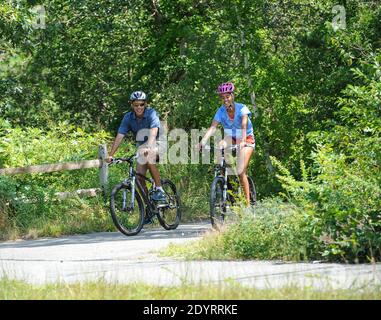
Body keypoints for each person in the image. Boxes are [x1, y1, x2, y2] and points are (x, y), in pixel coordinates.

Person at [196, 82, 255, 206]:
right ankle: (223, 179)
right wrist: (202, 142)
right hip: (231, 137)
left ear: (232, 96)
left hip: (246, 138)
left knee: (240, 171)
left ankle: (248, 205)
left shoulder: (242, 108)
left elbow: (244, 124)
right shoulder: (221, 111)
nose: (225, 99)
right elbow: (213, 127)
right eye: (222, 97)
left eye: (227, 96)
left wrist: (243, 141)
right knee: (219, 147)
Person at [107, 90, 166, 204]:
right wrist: (111, 155)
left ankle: (160, 189)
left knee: (148, 156)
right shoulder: (128, 117)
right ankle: (149, 207)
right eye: (136, 105)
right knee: (139, 178)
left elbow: (154, 132)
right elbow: (120, 135)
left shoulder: (152, 113)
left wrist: (148, 147)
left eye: (142, 104)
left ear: (146, 104)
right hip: (142, 146)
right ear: (132, 105)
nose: (139, 107)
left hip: (158, 142)